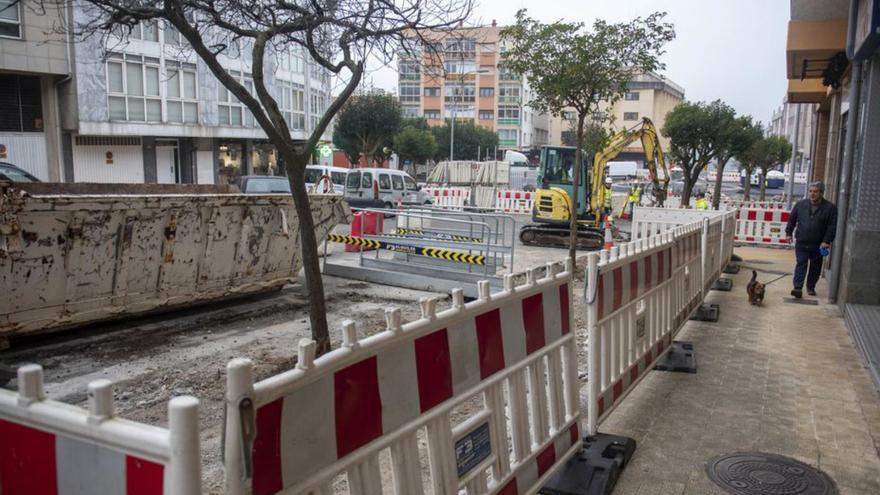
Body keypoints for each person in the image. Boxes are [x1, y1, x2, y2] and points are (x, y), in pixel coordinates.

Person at [785, 181, 837, 298]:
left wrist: (826, 241)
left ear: (822, 193)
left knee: (815, 267)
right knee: (801, 263)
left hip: (818, 244)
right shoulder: (800, 205)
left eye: (815, 192)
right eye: (810, 191)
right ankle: (797, 288)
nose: (812, 194)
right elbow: (792, 220)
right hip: (802, 241)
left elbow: (832, 227)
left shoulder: (830, 208)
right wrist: (788, 233)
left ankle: (810, 287)